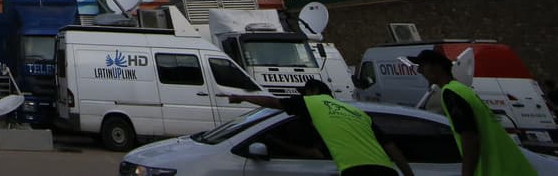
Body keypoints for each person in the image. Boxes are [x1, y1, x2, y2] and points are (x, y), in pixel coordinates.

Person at [223, 79, 415, 176]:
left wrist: (242, 97)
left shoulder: (312, 102)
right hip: (386, 171)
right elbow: (391, 148)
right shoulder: (356, 112)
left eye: (305, 92)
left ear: (314, 91)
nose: (303, 96)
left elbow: (273, 102)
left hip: (356, 171)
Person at [409, 48, 536, 176]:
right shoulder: (461, 89)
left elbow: (469, 137)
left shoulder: (450, 93)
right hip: (510, 167)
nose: (420, 71)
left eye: (422, 66)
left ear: (437, 67)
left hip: (498, 170)